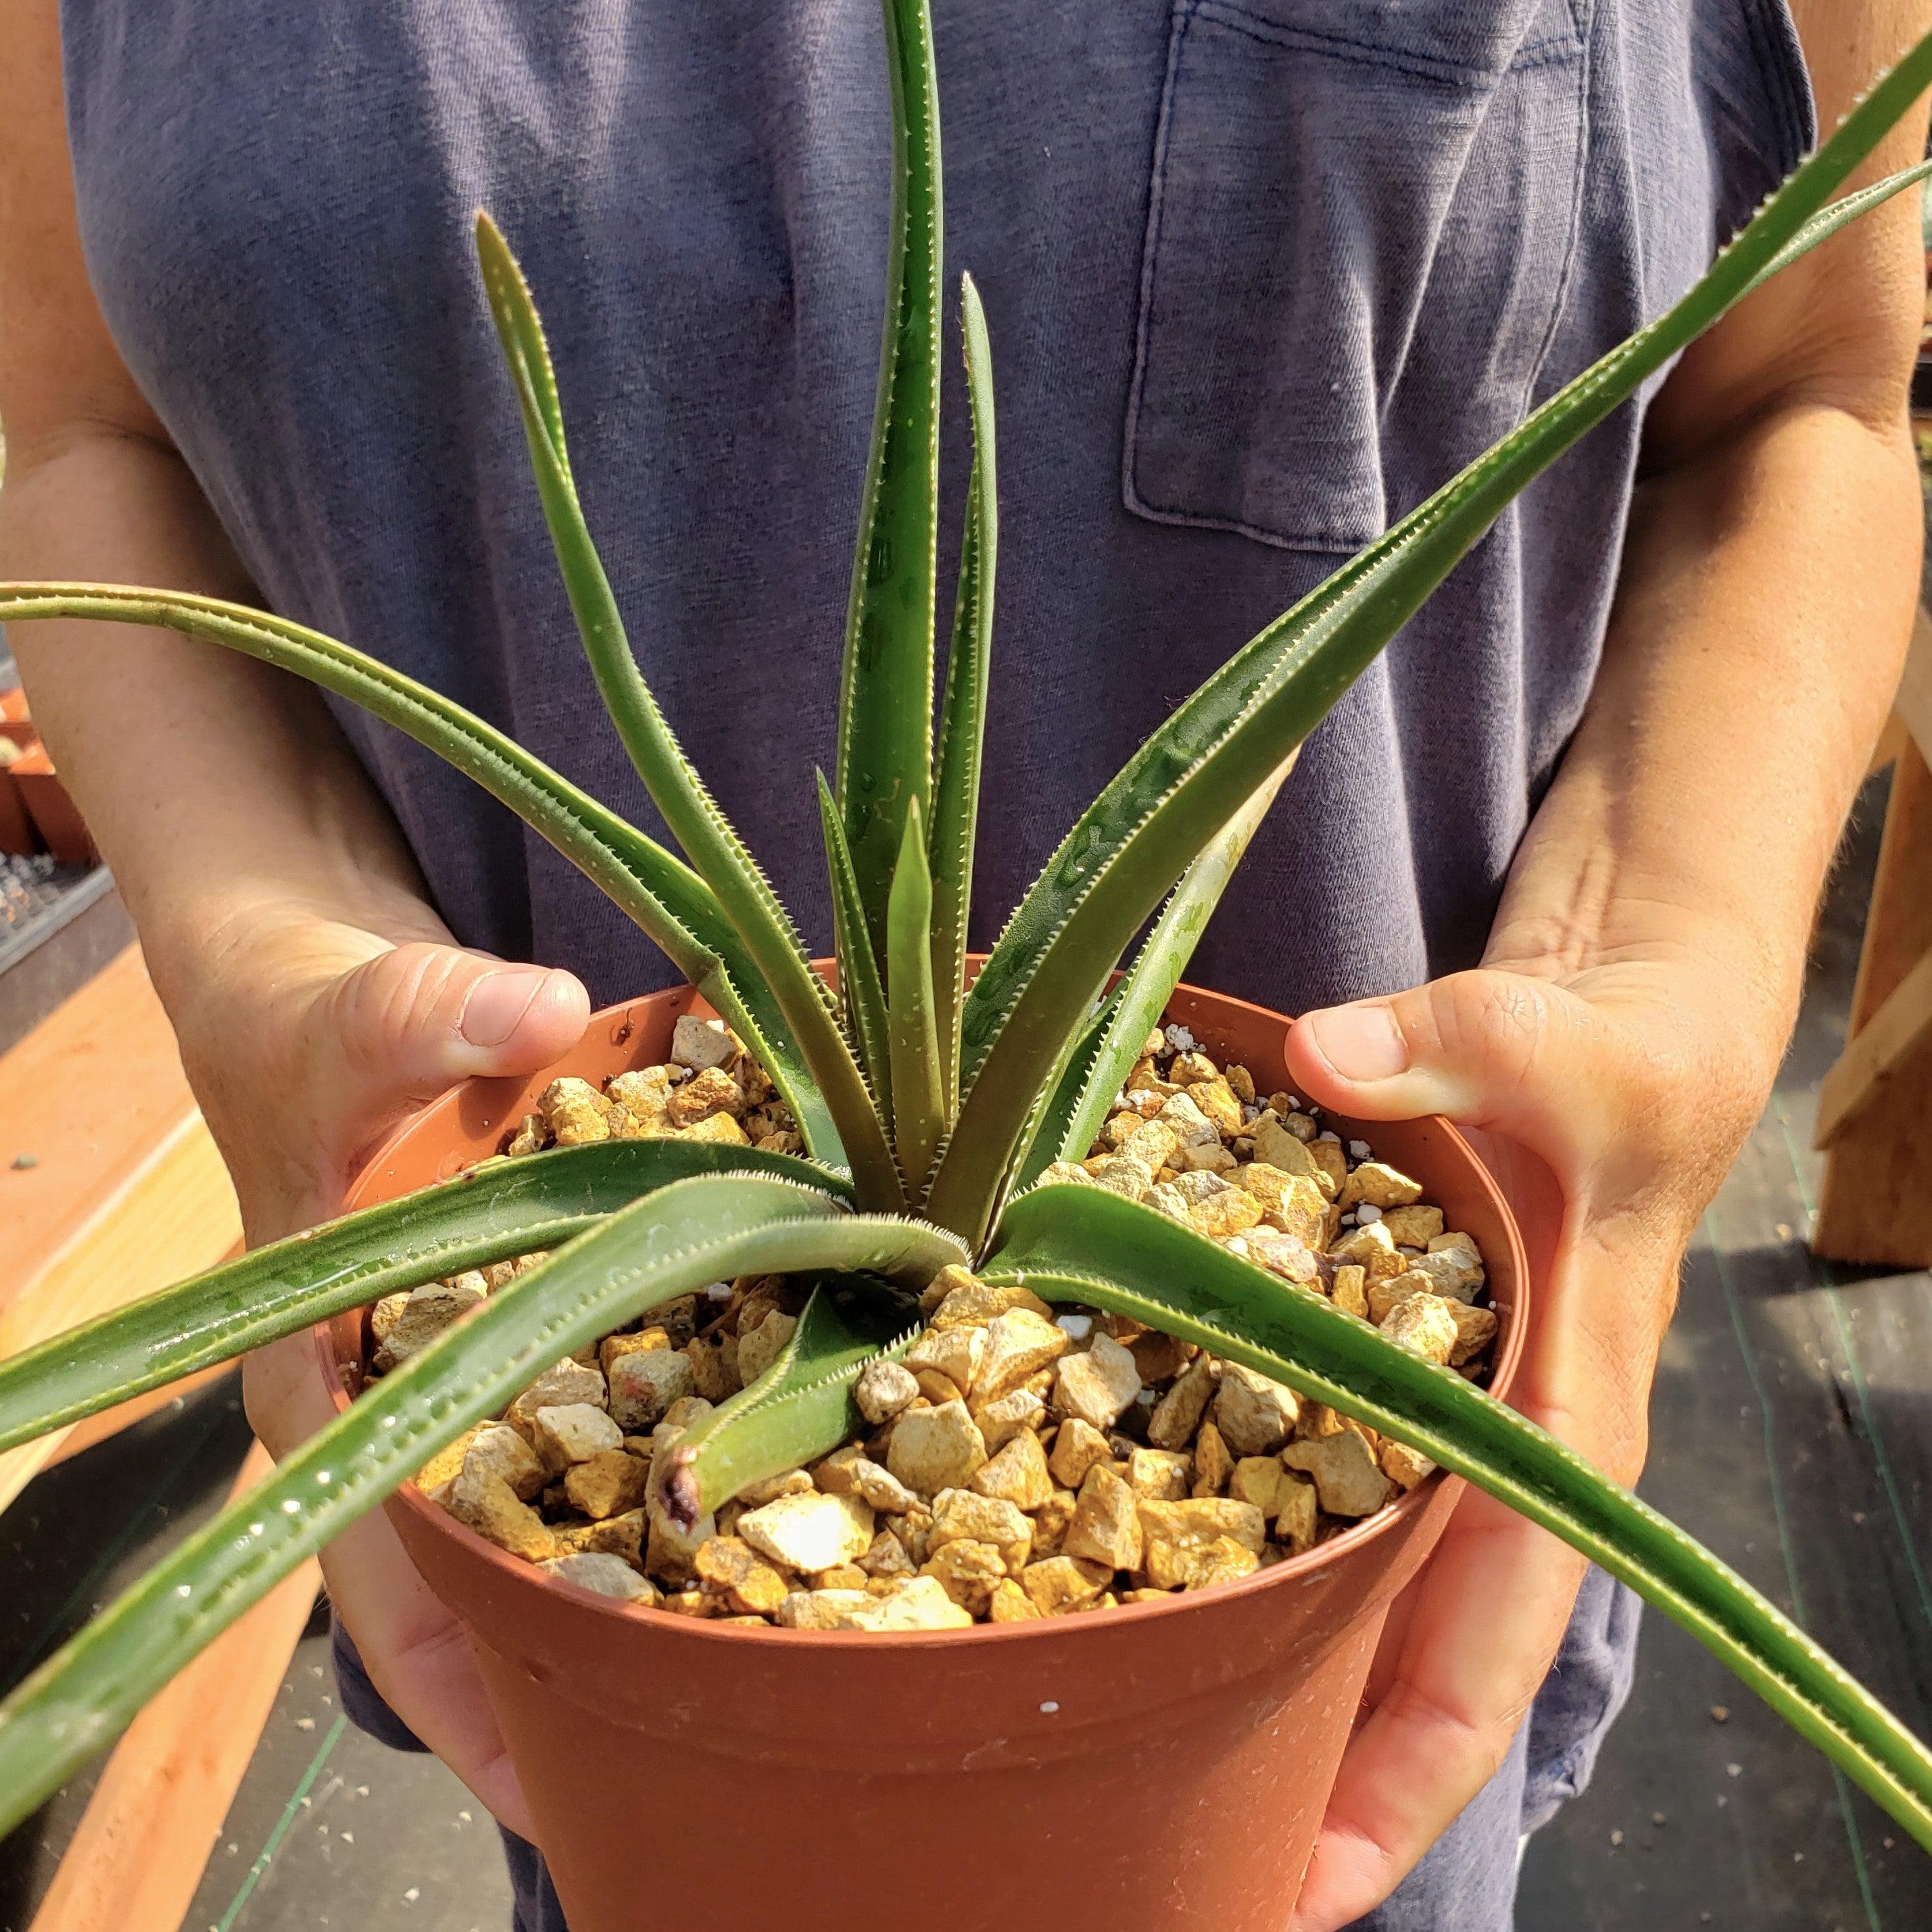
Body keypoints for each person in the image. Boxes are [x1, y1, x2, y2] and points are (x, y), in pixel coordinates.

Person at [3, 1, 1925, 1926]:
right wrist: (260, 934)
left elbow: (1805, 398)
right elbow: (82, 422)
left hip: (1357, 1590)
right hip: (606, 1519)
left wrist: (1654, 969)